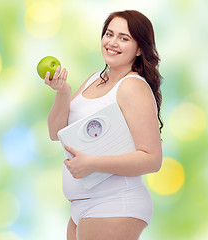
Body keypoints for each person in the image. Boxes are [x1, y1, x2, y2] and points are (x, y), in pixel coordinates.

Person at [45, 10, 163, 240]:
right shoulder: (93, 80)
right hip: (82, 208)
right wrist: (62, 92)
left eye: (124, 38)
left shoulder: (132, 87)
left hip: (115, 203)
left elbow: (152, 158)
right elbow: (55, 133)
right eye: (109, 34)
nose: (113, 42)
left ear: (139, 49)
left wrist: (92, 164)